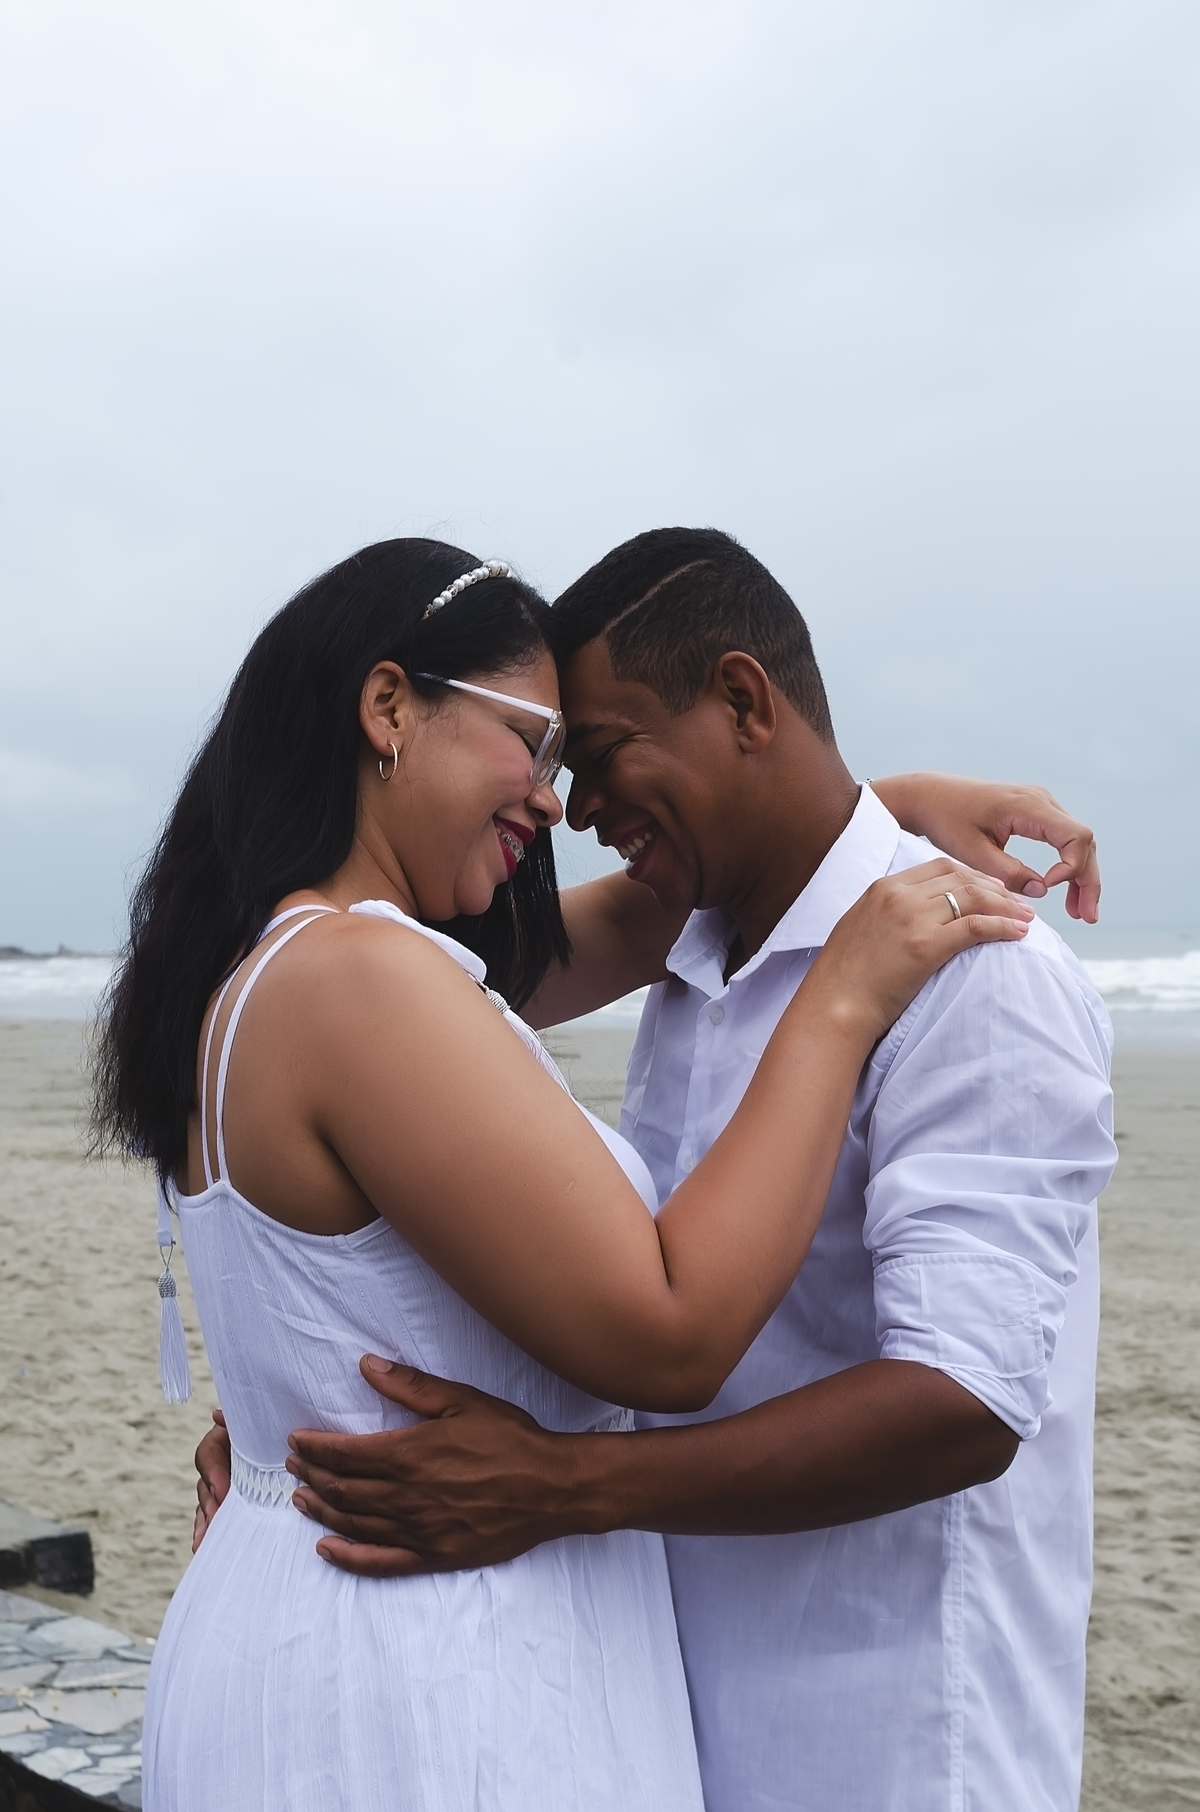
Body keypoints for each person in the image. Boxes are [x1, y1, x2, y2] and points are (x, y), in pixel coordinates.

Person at [94, 536, 1031, 1812]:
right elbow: (671, 1333)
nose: (554, 801)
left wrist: (881, 813)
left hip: (330, 1619)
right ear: (389, 709)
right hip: (432, 1676)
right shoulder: (365, 982)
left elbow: (661, 908)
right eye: (537, 745)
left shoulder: (287, 963)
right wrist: (842, 999)